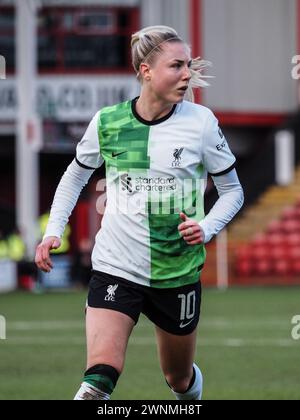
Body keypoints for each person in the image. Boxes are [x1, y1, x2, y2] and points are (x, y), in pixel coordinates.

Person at [35, 25, 244, 400]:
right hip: (117, 265)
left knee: (178, 380)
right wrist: (53, 230)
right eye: (176, 66)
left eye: (187, 65)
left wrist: (207, 227)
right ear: (146, 71)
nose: (186, 74)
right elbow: (73, 178)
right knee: (98, 379)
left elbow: (232, 192)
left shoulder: (201, 124)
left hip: (176, 271)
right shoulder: (108, 121)